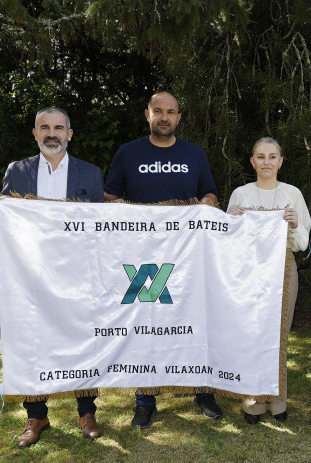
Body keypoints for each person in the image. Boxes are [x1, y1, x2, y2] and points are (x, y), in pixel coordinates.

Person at [0, 107, 104, 448]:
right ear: (35, 133)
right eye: (44, 127)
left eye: (59, 128)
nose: (52, 133)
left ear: (69, 134)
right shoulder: (17, 172)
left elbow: (102, 229)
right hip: (30, 275)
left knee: (84, 339)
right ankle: (36, 415)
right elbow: (1, 222)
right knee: (31, 341)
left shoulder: (89, 174)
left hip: (77, 275)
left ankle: (86, 412)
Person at [104, 91, 221, 429]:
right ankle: (145, 400)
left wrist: (208, 204)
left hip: (188, 255)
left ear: (179, 117)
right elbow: (110, 197)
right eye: (158, 111)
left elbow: (210, 193)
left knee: (195, 320)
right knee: (146, 326)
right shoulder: (128, 153)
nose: (165, 117)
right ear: (148, 115)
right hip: (143, 257)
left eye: (171, 112)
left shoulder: (194, 154)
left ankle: (202, 391)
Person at [227, 137, 311, 424]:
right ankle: (252, 402)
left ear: (280, 161)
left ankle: (277, 401)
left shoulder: (292, 194)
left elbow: (302, 243)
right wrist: (231, 219)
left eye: (272, 156)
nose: (266, 162)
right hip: (248, 270)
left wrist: (295, 223)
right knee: (251, 335)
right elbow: (227, 241)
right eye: (260, 156)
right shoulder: (241, 194)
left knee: (279, 337)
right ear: (252, 161)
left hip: (283, 268)